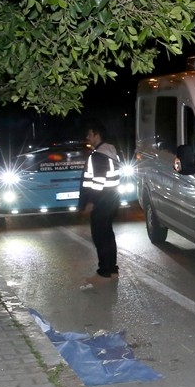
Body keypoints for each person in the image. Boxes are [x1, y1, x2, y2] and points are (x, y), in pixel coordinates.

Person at [78, 121, 122, 289]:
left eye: (89, 134)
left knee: (100, 237)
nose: (87, 137)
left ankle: (104, 272)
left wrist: (91, 202)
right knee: (108, 235)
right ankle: (112, 271)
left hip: (102, 202)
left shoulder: (99, 156)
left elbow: (98, 181)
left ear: (97, 135)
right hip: (111, 199)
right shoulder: (109, 151)